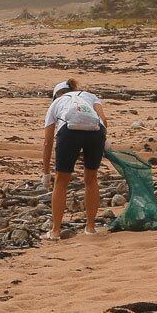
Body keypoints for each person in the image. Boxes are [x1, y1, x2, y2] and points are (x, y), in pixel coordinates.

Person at [41, 79, 108, 239]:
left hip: (69, 132)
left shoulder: (56, 103)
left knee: (61, 181)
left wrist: (46, 172)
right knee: (91, 178)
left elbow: (47, 141)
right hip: (95, 132)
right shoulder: (90, 96)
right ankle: (90, 228)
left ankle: (55, 231)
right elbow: (104, 120)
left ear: (57, 94)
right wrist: (104, 140)